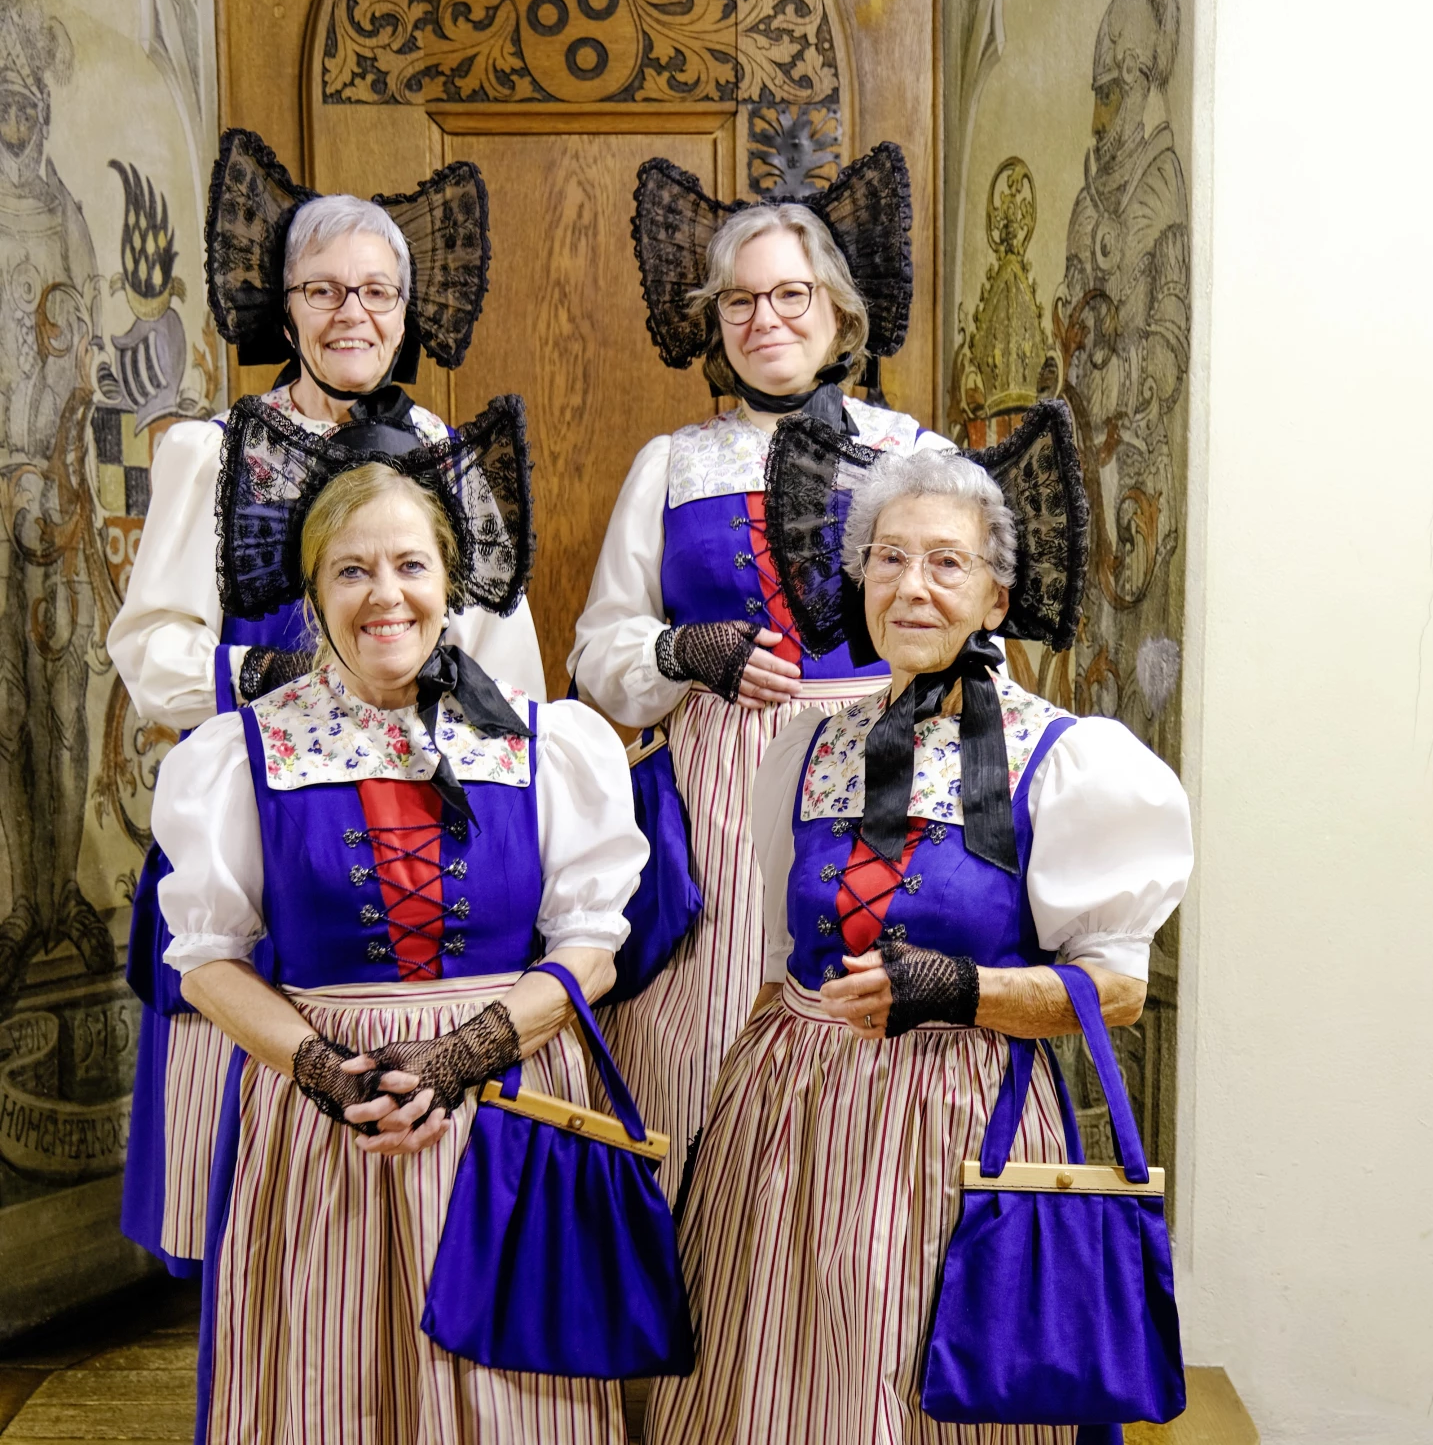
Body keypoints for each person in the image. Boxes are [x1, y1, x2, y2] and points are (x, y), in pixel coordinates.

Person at [647, 427, 1193, 1444]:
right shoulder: (808, 744)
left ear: (996, 597)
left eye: (947, 562)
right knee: (772, 1387)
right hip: (788, 1129)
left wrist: (960, 990)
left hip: (958, 1119)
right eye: (889, 558)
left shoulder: (1067, 760)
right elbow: (779, 964)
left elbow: (1115, 990)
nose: (912, 586)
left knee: (921, 1382)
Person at [155, 399, 645, 1442]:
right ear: (312, 593)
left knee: (516, 1402)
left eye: (411, 565)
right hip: (325, 1116)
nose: (387, 595)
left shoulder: (546, 744)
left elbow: (592, 947)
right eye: (353, 570)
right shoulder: (240, 755)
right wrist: (331, 1072)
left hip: (509, 1102)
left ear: (450, 581)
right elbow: (206, 962)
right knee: (331, 1388)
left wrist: (464, 1055)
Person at [112, 128, 544, 1275]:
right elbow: (152, 651)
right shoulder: (212, 452)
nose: (352, 312)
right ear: (285, 304)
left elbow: (506, 667)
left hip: (424, 817)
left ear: (407, 308)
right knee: (258, 1183)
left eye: (376, 291)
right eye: (324, 290)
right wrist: (290, 686)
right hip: (264, 820)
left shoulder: (447, 452)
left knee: (428, 1180)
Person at [569, 143, 950, 1198]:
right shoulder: (672, 463)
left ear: (838, 312)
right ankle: (700, 1267)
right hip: (717, 788)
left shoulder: (914, 456)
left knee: (854, 1003)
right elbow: (598, 653)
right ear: (716, 321)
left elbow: (967, 624)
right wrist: (681, 652)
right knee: (705, 1019)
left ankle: (844, 1261)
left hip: (879, 768)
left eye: (790, 294)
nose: (764, 318)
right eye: (740, 301)